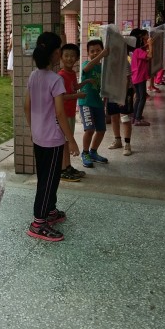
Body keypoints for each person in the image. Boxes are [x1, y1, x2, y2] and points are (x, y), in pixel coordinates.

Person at [24, 32, 79, 242]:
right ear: (56, 53)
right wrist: (71, 140)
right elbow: (59, 113)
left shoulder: (33, 76)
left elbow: (26, 106)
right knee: (48, 180)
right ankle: (39, 222)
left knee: (47, 177)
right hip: (54, 140)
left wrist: (34, 128)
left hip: (39, 138)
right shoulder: (56, 80)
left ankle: (50, 210)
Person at [57, 43, 91, 181]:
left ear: (77, 58)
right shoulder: (61, 75)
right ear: (61, 57)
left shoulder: (71, 73)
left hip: (70, 113)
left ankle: (68, 167)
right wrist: (78, 96)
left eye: (72, 56)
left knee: (66, 141)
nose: (69, 59)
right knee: (65, 142)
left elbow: (73, 87)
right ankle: (63, 169)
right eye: (66, 56)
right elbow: (62, 96)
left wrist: (85, 82)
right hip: (63, 114)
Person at [78, 39, 110, 168]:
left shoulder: (103, 68)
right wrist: (101, 55)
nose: (95, 53)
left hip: (98, 103)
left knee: (101, 130)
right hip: (86, 102)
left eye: (98, 50)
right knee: (90, 129)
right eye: (92, 51)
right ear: (88, 53)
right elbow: (86, 68)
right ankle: (84, 153)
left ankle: (93, 152)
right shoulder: (87, 64)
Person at [106, 45, 135, 156]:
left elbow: (127, 80)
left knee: (125, 118)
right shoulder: (108, 62)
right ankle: (117, 140)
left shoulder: (124, 62)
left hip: (124, 93)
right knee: (114, 117)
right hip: (112, 92)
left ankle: (127, 144)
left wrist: (122, 97)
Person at [130, 28, 153, 126]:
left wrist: (147, 45)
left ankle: (135, 117)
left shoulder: (136, 50)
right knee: (142, 97)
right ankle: (138, 118)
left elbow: (144, 51)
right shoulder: (138, 51)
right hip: (140, 77)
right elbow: (150, 56)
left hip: (136, 77)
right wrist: (151, 45)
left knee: (139, 97)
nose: (147, 38)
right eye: (144, 38)